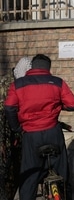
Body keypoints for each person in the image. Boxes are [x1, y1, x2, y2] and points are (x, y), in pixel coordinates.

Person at [4, 54, 74, 200]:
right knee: (63, 175)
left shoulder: (18, 84)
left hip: (31, 136)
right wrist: (58, 105)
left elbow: (9, 108)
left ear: (33, 66)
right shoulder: (57, 82)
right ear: (48, 67)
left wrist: (17, 127)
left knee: (29, 178)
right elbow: (73, 104)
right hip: (53, 133)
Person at [0, 56, 30, 200]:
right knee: (6, 178)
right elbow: (2, 115)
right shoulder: (4, 85)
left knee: (20, 173)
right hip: (6, 136)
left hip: (22, 135)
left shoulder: (26, 82)